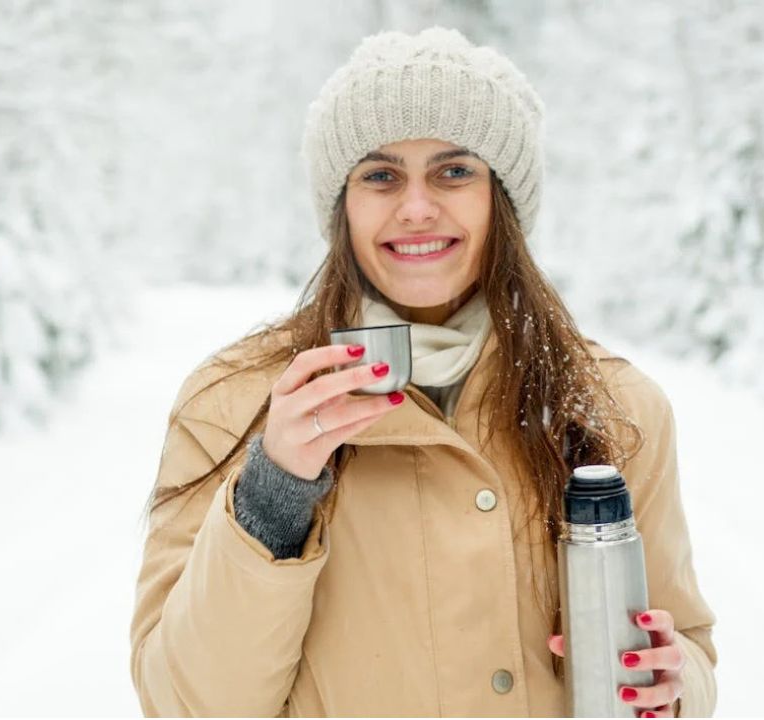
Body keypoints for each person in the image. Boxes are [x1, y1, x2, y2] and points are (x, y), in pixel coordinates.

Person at [130, 26, 717, 718]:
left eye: (454, 171)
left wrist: (674, 688)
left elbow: (685, 649)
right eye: (380, 175)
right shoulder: (230, 404)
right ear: (341, 205)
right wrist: (273, 494)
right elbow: (186, 705)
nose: (415, 207)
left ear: (502, 198)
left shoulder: (615, 405)